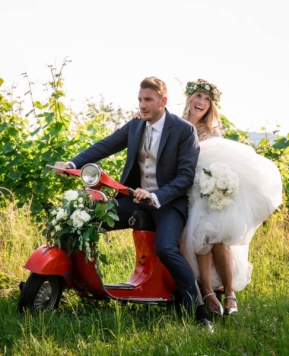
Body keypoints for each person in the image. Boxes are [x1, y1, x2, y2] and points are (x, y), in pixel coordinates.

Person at [53, 76, 213, 331]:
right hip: (133, 199)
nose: (142, 105)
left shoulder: (184, 130)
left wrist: (156, 196)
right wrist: (73, 164)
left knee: (166, 248)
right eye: (140, 100)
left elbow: (185, 177)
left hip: (168, 204)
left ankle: (199, 312)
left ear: (163, 101)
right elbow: (105, 145)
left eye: (148, 100)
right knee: (85, 218)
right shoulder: (135, 125)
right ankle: (66, 281)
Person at [179, 79, 283, 316]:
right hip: (189, 189)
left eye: (207, 100)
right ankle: (207, 292)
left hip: (208, 189)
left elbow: (224, 160)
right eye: (198, 97)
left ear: (211, 105)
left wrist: (219, 183)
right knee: (200, 238)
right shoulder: (176, 125)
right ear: (189, 98)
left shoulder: (212, 131)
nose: (201, 102)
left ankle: (228, 293)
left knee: (216, 237)